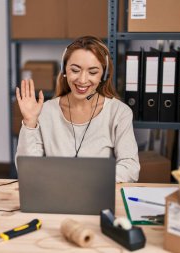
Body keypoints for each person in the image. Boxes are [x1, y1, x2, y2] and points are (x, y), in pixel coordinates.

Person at [15, 36, 140, 182]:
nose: (82, 80)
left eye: (92, 72)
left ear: (104, 75)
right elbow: (28, 170)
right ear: (64, 70)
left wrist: (85, 179)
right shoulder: (46, 110)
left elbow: (130, 168)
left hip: (96, 193)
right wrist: (30, 122)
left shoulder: (119, 112)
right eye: (75, 70)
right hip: (55, 196)